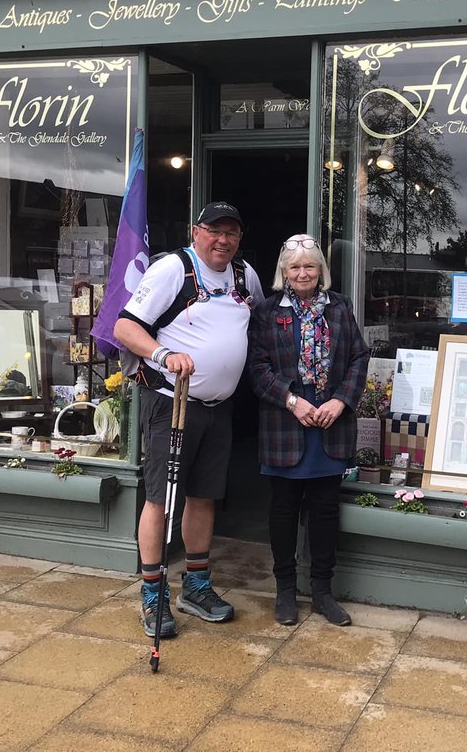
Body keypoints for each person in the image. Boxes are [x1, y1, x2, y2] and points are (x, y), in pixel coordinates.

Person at [113, 202, 265, 639]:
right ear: (195, 231)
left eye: (232, 233)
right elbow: (125, 328)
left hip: (219, 408)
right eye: (214, 231)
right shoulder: (172, 270)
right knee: (160, 499)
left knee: (203, 497)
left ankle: (195, 587)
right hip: (172, 403)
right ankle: (153, 593)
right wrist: (164, 354)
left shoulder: (244, 275)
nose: (223, 240)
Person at [248, 234, 370, 627]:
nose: (302, 273)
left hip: (330, 422)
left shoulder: (340, 308)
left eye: (310, 266)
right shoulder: (266, 312)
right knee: (283, 511)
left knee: (324, 511)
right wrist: (292, 400)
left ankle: (321, 592)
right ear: (284, 271)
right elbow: (257, 367)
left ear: (321, 270)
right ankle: (285, 592)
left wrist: (340, 401)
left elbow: (357, 357)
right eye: (295, 266)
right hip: (287, 420)